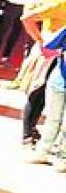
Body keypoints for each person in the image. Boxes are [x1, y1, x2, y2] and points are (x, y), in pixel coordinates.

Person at [18, 0, 66, 146]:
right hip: (48, 39)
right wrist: (41, 42)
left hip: (52, 36)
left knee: (49, 90)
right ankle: (29, 134)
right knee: (39, 87)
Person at [27, 27, 66, 170]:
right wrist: (60, 52)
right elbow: (47, 48)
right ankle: (43, 151)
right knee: (52, 119)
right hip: (59, 81)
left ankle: (62, 156)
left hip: (59, 81)